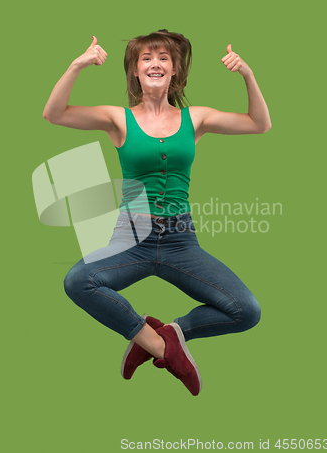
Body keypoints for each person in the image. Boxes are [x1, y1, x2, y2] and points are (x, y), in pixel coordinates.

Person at [43, 29, 271, 396]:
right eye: (146, 58)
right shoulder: (118, 119)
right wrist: (78, 65)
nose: (155, 64)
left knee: (247, 311)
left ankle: (171, 334)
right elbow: (54, 114)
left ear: (175, 71)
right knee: (78, 281)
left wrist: (247, 74)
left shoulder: (195, 119)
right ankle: (157, 345)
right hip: (130, 240)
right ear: (135, 71)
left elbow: (259, 124)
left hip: (181, 242)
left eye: (164, 58)